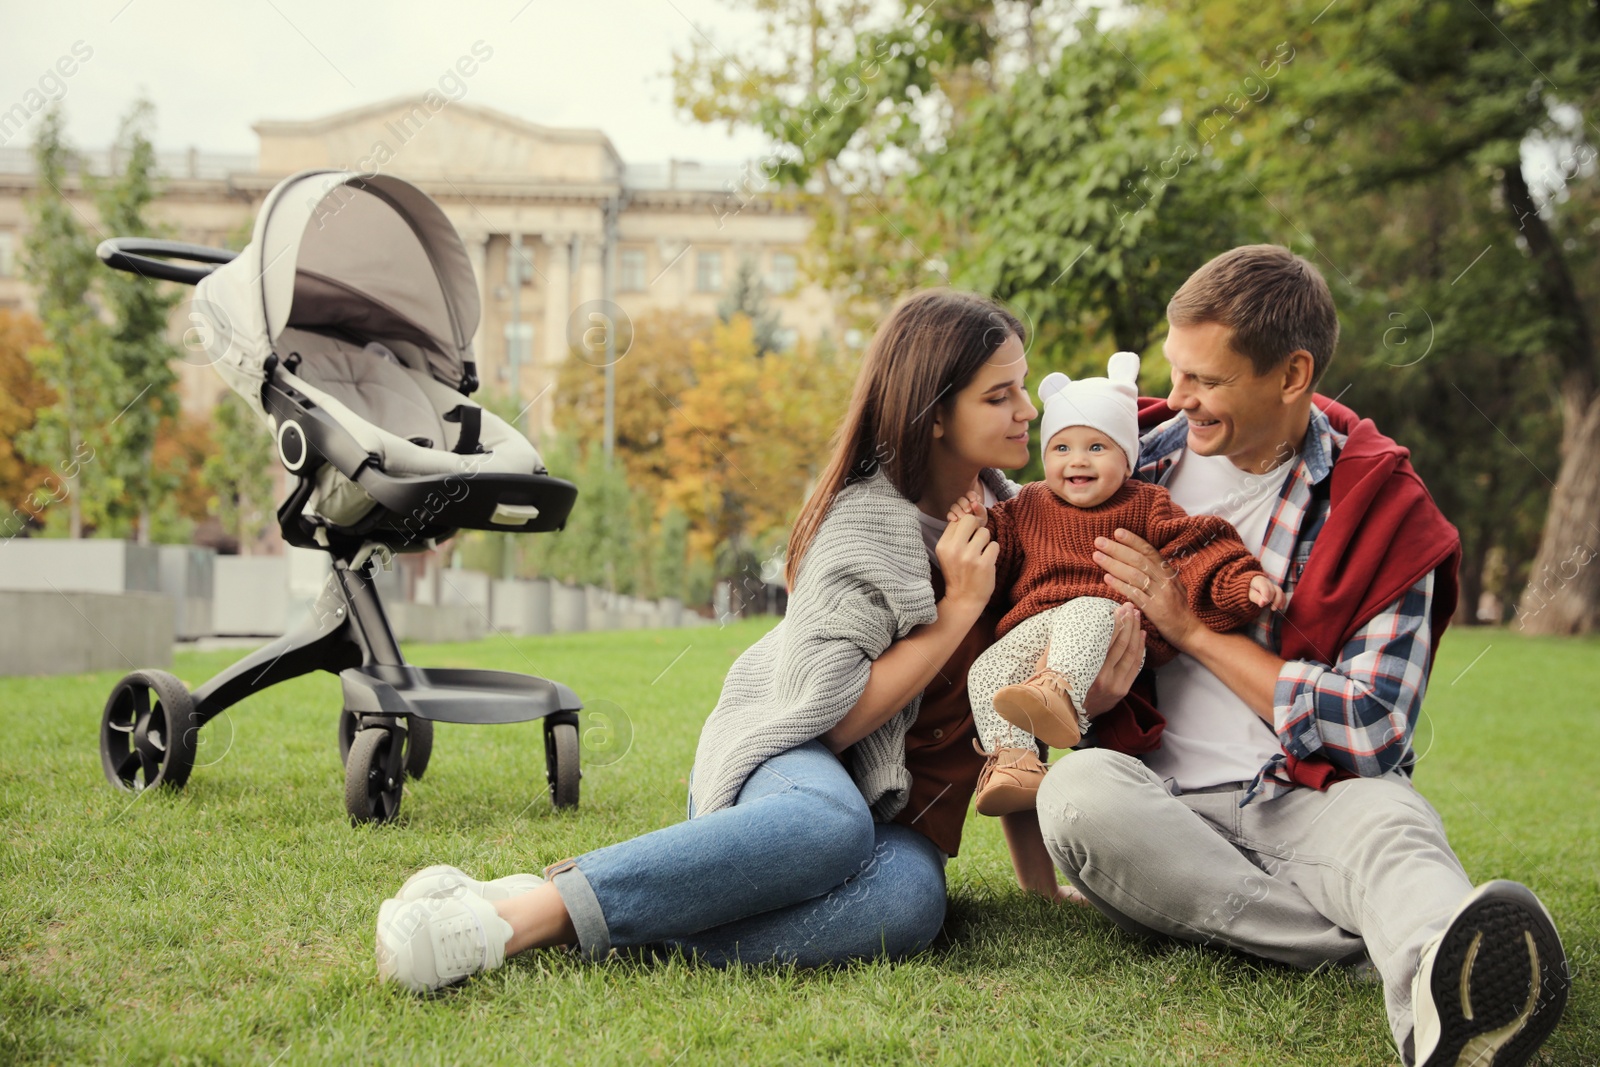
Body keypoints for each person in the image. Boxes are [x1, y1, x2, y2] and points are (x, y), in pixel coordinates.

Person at [371, 289, 1126, 992]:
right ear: (934, 412)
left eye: (1022, 388)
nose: (1029, 410)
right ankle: (516, 919)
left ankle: (563, 912)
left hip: (892, 813)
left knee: (910, 906)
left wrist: (1037, 884)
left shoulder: (1015, 517)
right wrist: (958, 612)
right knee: (829, 825)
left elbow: (1009, 713)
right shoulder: (863, 527)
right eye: (1001, 395)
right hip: (789, 755)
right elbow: (832, 717)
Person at [1036, 245, 1568, 1066]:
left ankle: (1439, 996)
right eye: (1175, 372)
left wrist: (1193, 631)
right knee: (1073, 794)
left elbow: (1373, 729)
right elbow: (1024, 561)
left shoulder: (1383, 505)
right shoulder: (1127, 455)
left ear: (1292, 375)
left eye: (1204, 382)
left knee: (1393, 822)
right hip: (1154, 797)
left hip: (1302, 796)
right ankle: (1374, 958)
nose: (1175, 400)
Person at [948, 351, 1284, 817]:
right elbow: (1001, 562)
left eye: (1097, 447)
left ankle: (1058, 693)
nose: (1077, 461)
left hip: (1112, 622)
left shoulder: (1146, 503)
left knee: (1088, 609)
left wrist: (1241, 582)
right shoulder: (1027, 506)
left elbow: (1199, 549)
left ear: (1127, 459)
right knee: (986, 671)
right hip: (1038, 624)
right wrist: (980, 524)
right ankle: (1015, 761)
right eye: (1061, 449)